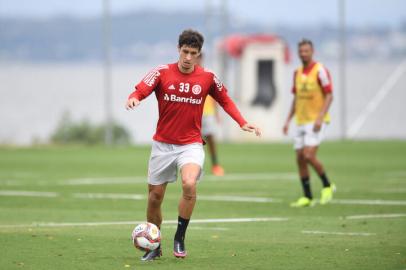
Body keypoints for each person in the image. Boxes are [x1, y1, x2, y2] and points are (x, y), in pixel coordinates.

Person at [126, 29, 261, 261]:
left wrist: (242, 122)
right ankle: (154, 246)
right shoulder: (161, 72)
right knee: (154, 197)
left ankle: (180, 237)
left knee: (189, 184)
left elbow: (225, 100)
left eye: (194, 53)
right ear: (178, 50)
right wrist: (134, 97)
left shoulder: (207, 77)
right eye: (185, 52)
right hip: (162, 145)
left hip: (190, 145)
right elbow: (142, 89)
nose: (188, 57)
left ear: (199, 54)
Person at [282, 39, 335, 207]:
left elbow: (329, 95)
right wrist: (288, 120)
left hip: (316, 121)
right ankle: (308, 197)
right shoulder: (297, 72)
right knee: (300, 158)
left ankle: (327, 185)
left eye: (306, 51)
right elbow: (296, 98)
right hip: (301, 121)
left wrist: (320, 117)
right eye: (301, 51)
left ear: (312, 52)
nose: (303, 53)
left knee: (309, 155)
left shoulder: (320, 71)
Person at [198, 53, 225, 176]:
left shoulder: (208, 74)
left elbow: (215, 95)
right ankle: (197, 167)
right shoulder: (188, 74)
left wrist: (217, 113)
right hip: (193, 113)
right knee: (195, 142)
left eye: (198, 57)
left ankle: (215, 165)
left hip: (208, 112)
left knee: (211, 139)